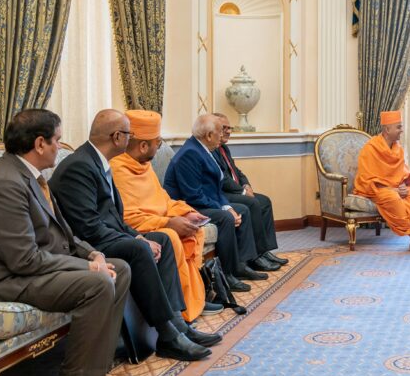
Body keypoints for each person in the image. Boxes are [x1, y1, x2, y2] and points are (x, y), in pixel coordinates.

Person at [0, 110, 131, 376]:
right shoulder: (5, 184)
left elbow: (63, 233)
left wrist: (93, 253)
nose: (59, 147)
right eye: (57, 140)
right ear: (40, 144)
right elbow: (24, 260)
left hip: (26, 270)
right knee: (98, 283)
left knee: (121, 269)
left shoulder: (30, 175)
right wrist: (88, 267)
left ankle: (95, 370)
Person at [50, 110, 219, 362]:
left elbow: (115, 219)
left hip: (104, 236)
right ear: (117, 137)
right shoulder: (79, 166)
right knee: (138, 249)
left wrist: (138, 236)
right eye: (129, 134)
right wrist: (136, 241)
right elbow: (88, 227)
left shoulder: (98, 162)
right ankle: (167, 336)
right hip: (85, 245)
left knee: (162, 240)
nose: (131, 140)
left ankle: (177, 324)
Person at [110, 110, 221, 321]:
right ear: (143, 146)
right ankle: (180, 309)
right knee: (171, 236)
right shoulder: (118, 169)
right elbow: (128, 218)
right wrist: (169, 223)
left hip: (158, 221)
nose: (159, 147)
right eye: (158, 143)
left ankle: (192, 298)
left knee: (191, 230)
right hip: (140, 230)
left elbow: (163, 200)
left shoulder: (144, 166)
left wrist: (186, 212)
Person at [163, 114, 268, 288]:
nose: (222, 135)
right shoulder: (190, 153)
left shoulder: (204, 150)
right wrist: (225, 210)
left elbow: (215, 188)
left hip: (201, 202)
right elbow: (193, 196)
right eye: (219, 132)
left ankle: (241, 265)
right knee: (225, 218)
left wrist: (226, 205)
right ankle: (227, 274)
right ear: (209, 135)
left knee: (242, 209)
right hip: (186, 207)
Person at [211, 113, 287, 268]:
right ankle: (255, 257)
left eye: (230, 128)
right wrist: (243, 192)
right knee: (252, 202)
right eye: (224, 128)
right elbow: (223, 179)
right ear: (214, 129)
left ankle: (264, 251)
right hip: (223, 193)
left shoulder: (224, 148)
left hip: (235, 190)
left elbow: (236, 171)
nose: (228, 131)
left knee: (264, 201)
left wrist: (246, 185)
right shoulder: (212, 149)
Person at [353, 111, 410, 252]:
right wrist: (393, 190)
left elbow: (401, 173)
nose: (401, 130)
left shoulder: (398, 149)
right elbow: (367, 178)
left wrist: (402, 186)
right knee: (393, 198)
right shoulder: (370, 148)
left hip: (395, 188)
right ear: (387, 129)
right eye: (398, 127)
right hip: (374, 190)